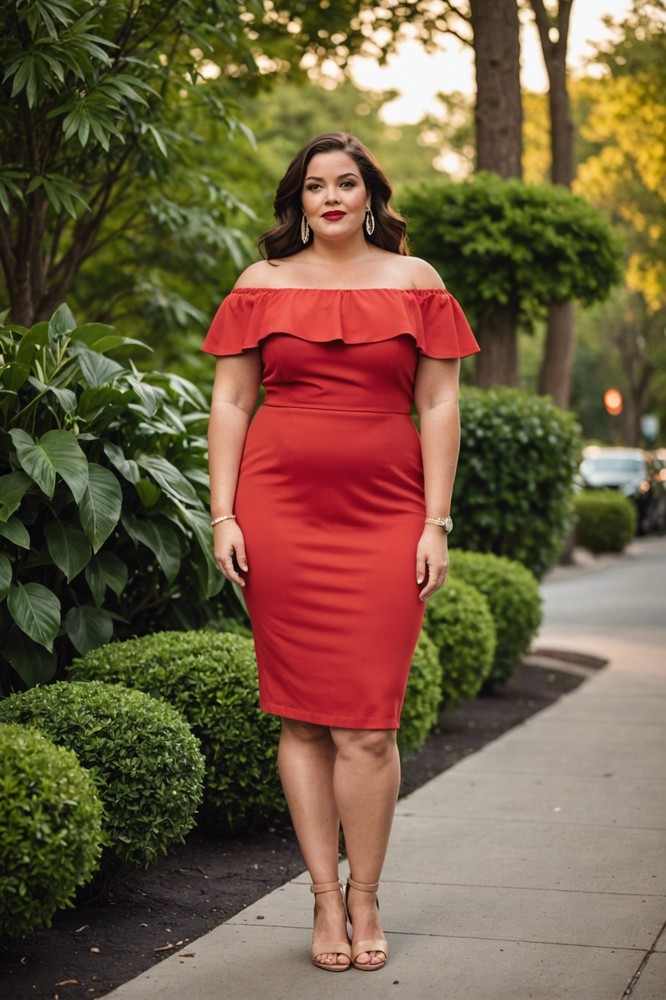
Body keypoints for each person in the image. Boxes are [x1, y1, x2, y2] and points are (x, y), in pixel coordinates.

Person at [202, 131, 479, 973]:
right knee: (300, 716)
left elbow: (438, 405)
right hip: (279, 510)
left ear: (370, 196)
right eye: (315, 185)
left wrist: (436, 521)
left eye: (347, 183)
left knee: (367, 722)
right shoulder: (261, 285)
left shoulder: (416, 282)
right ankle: (324, 898)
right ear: (298, 200)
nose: (330, 197)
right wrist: (223, 515)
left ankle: (368, 894)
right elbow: (232, 401)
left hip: (387, 516)